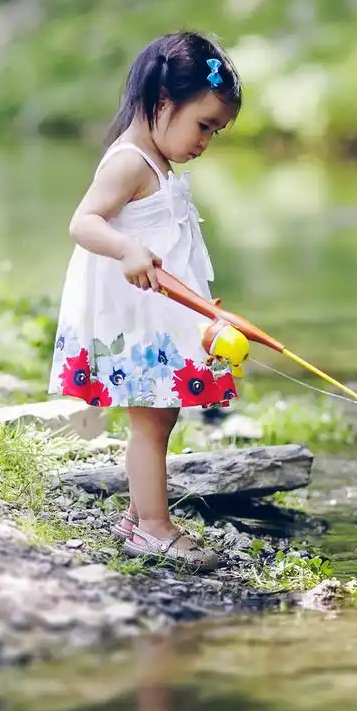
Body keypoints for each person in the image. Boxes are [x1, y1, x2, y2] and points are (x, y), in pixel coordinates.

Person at [48, 30, 243, 571]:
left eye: (216, 132)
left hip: (159, 313)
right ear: (163, 104)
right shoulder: (129, 162)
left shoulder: (158, 164)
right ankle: (153, 527)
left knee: (163, 413)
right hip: (133, 318)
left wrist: (201, 304)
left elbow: (174, 247)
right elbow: (83, 222)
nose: (206, 141)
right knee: (151, 420)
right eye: (203, 125)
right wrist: (126, 247)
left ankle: (139, 515)